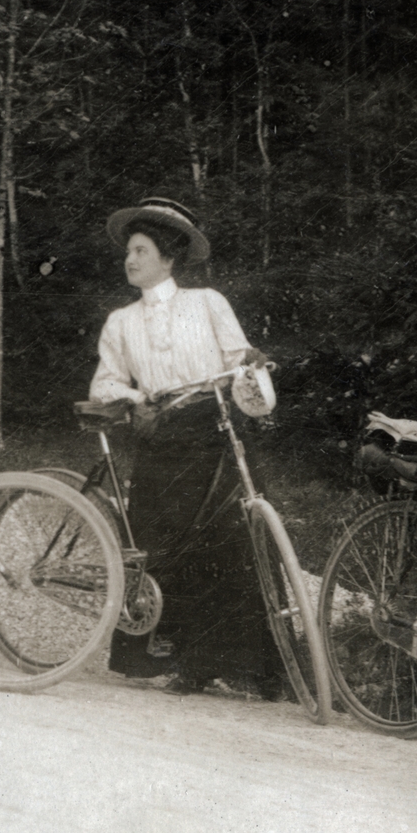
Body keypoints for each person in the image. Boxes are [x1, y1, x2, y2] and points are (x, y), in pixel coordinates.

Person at [88, 197, 283, 699]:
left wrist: (254, 368)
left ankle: (244, 664)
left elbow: (243, 364)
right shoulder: (121, 321)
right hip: (162, 438)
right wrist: (137, 400)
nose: (130, 260)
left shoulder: (208, 303)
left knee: (229, 542)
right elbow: (104, 387)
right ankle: (174, 658)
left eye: (142, 250)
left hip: (215, 431)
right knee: (163, 544)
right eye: (128, 251)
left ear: (169, 258)